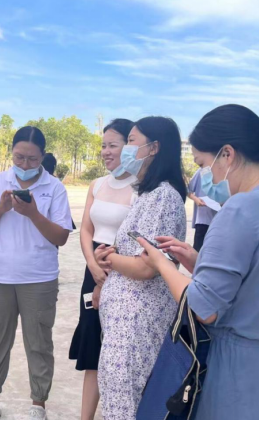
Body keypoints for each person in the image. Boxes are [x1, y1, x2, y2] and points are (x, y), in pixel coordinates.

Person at [138, 105, 259, 420]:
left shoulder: (240, 209)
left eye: (203, 164)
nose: (206, 176)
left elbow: (204, 308)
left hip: (230, 369)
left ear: (227, 154)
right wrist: (199, 261)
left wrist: (161, 263)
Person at [0, 127, 73, 421]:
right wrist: (0, 210)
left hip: (39, 278)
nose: (25, 164)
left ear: (43, 157)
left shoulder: (54, 188)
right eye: (19, 157)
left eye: (32, 159)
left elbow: (61, 236)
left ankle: (38, 405)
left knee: (39, 343)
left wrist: (33, 214)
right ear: (11, 153)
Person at [94, 117, 188, 420]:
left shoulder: (162, 196)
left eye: (131, 141)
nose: (126, 148)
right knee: (119, 394)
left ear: (154, 148)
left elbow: (147, 266)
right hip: (126, 321)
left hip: (136, 323)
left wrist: (109, 259)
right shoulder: (148, 194)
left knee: (126, 399)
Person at [68, 119, 136, 421]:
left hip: (124, 272)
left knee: (118, 350)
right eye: (103, 146)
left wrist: (104, 275)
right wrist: (93, 267)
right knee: (93, 346)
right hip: (93, 269)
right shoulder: (97, 184)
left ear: (130, 147)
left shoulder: (142, 189)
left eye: (113, 145)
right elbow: (86, 229)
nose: (106, 151)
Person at [188, 168, 218, 251]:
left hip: (219, 221)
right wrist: (196, 199)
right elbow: (187, 189)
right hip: (203, 220)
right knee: (198, 252)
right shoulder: (202, 171)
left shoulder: (227, 172)